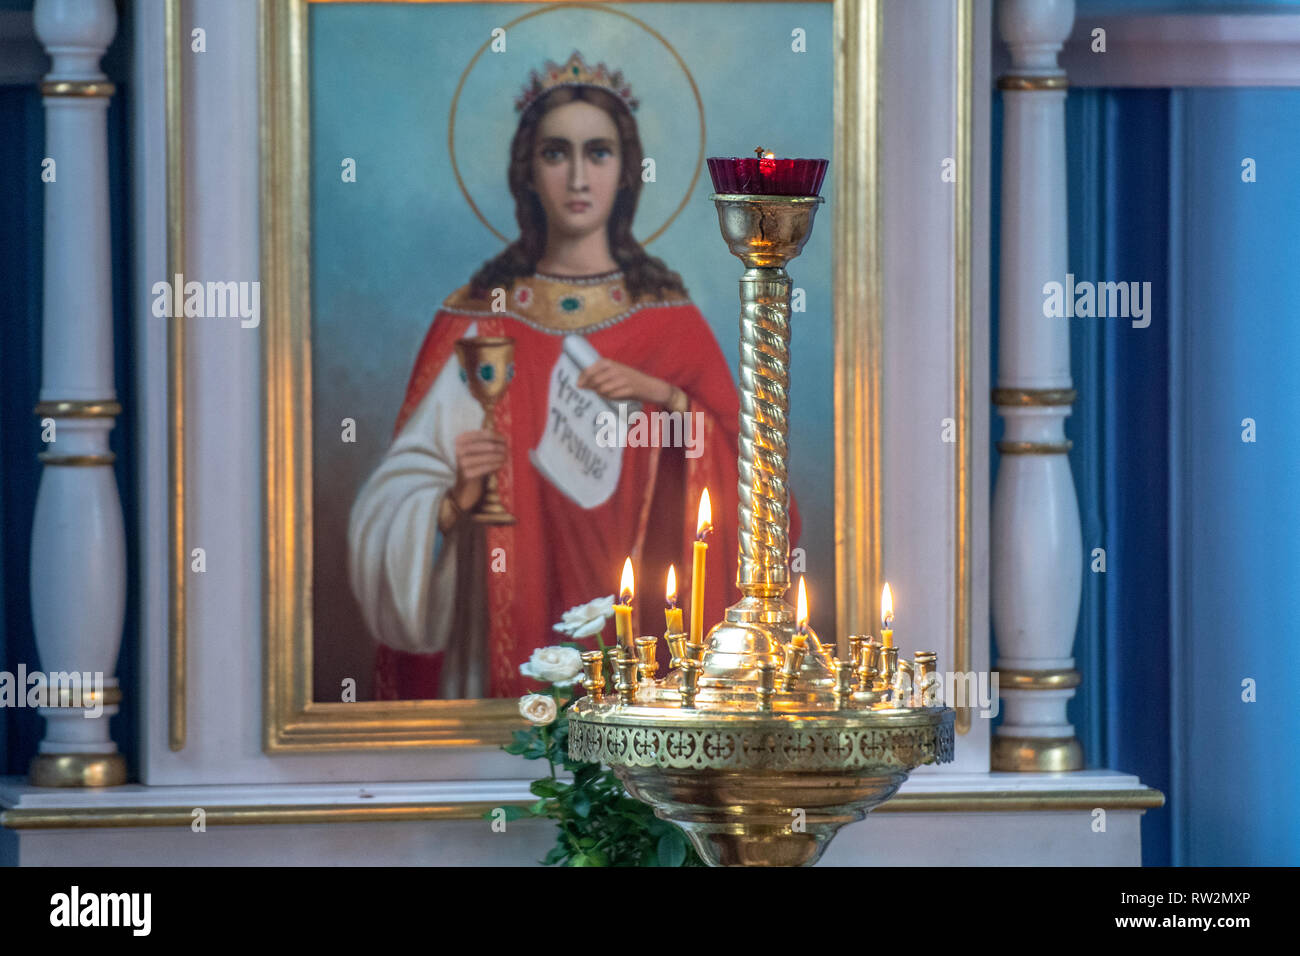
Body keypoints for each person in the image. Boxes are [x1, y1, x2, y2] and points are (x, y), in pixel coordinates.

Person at [348, 52, 799, 699]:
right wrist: (451, 503)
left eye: (600, 153)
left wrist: (668, 400)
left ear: (627, 171)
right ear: (527, 172)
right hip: (502, 649)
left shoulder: (670, 323)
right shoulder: (478, 322)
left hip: (643, 640)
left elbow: (765, 502)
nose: (579, 176)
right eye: (557, 153)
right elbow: (388, 511)